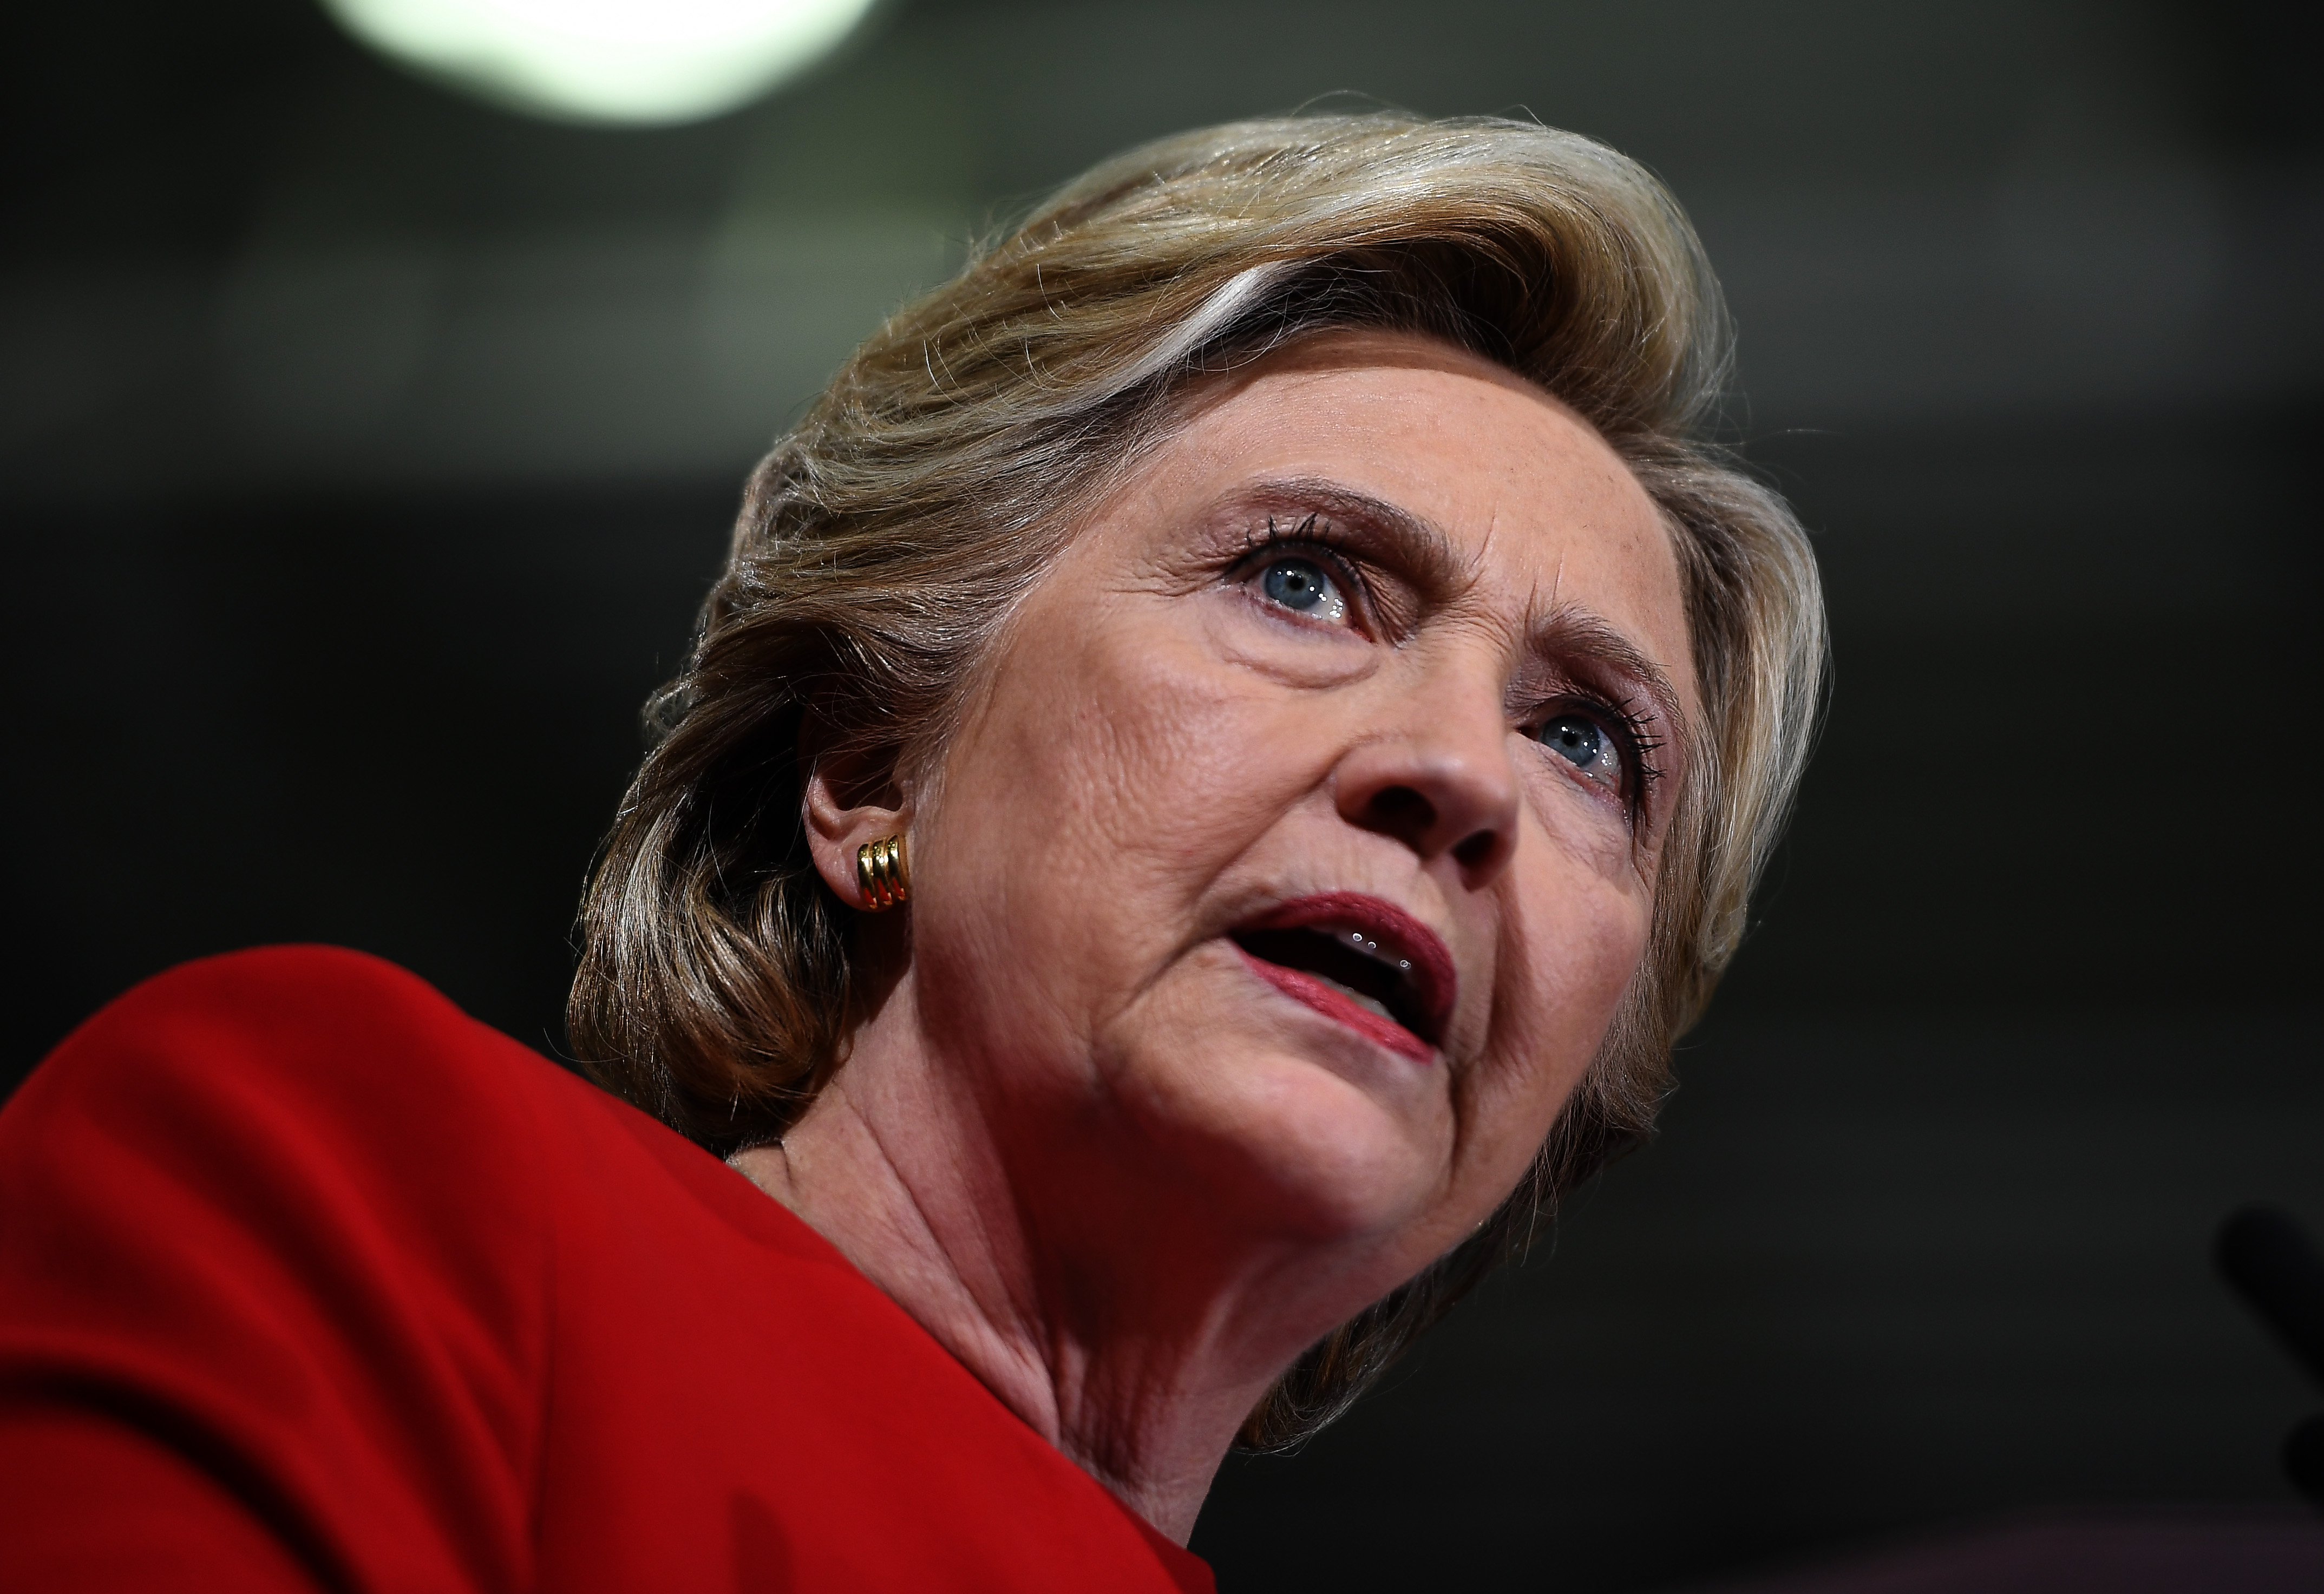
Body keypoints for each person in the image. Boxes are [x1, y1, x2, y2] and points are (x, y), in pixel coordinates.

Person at [0, 112, 1824, 1588]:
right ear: (875, 765)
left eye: (1587, 739)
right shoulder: (371, 1195)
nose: (1461, 771)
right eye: (1300, 580)